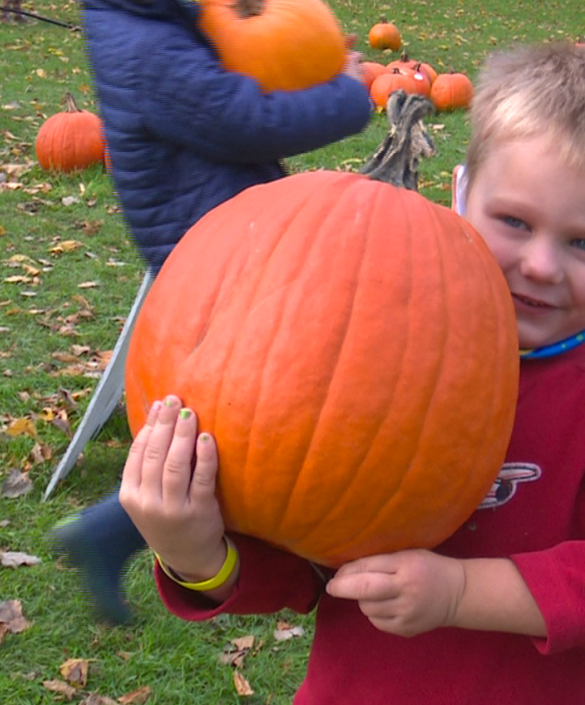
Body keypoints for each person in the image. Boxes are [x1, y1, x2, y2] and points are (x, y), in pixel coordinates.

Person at [119, 42, 585, 705]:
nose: (543, 265)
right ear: (462, 195)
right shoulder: (359, 363)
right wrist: (195, 554)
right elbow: (300, 564)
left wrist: (462, 591)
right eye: (515, 221)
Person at [51, 0, 373, 625]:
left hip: (219, 226)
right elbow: (242, 119)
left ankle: (112, 529)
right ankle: (110, 529)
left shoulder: (152, 24)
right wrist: (346, 96)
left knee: (239, 409)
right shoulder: (149, 50)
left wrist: (308, 56)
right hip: (207, 244)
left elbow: (237, 77)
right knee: (243, 416)